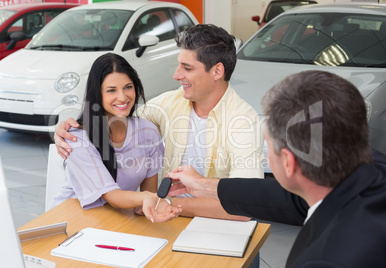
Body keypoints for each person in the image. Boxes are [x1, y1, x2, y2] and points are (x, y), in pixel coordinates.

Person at [165, 70, 386, 267]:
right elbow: (285, 198)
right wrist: (204, 185)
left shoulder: (326, 259)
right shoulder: (372, 168)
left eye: (268, 146)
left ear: (288, 163)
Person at [53, 24, 264, 221]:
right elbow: (120, 116)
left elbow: (246, 207)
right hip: (166, 219)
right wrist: (66, 127)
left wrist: (167, 202)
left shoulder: (244, 123)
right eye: (178, 65)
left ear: (217, 71)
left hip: (216, 224)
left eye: (187, 68)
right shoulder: (171, 102)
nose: (176, 75)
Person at [49, 53, 181, 222]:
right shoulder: (78, 139)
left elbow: (146, 197)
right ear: (97, 93)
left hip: (114, 220)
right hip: (69, 220)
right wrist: (148, 199)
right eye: (111, 90)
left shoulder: (148, 132)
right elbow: (113, 197)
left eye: (128, 87)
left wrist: (149, 206)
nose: (122, 96)